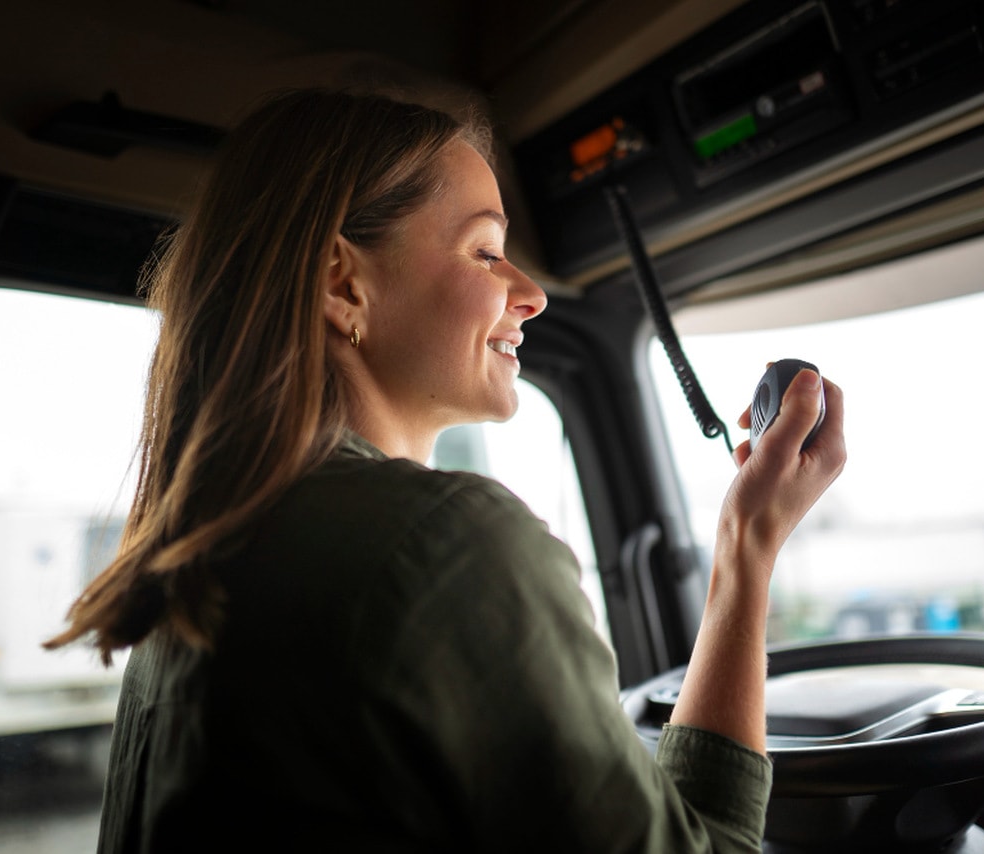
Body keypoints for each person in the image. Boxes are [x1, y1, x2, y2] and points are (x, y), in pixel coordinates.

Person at [46, 88, 845, 853]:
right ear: (340, 280)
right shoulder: (446, 548)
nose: (530, 293)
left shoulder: (198, 562)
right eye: (486, 251)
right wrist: (748, 549)